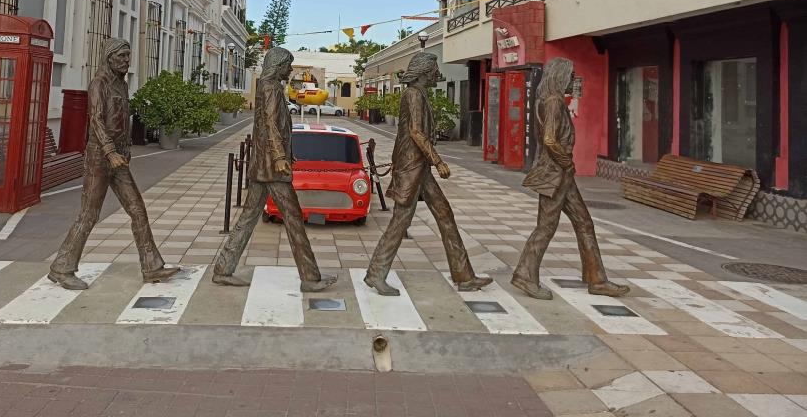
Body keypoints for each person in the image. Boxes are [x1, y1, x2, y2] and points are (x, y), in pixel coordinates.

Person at [49, 39, 179, 290]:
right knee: (89, 214)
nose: (126, 61)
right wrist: (110, 151)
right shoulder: (99, 84)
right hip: (100, 156)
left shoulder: (122, 85)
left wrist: (124, 150)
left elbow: (122, 122)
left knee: (137, 209)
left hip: (119, 157)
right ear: (109, 57)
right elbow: (95, 121)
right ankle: (61, 267)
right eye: (122, 56)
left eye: (129, 56)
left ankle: (152, 266)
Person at [364, 52, 492, 296]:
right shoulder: (413, 94)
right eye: (433, 70)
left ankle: (464, 276)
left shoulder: (419, 93)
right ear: (424, 71)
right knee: (401, 221)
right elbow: (416, 132)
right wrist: (438, 160)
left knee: (444, 214)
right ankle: (375, 273)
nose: (437, 74)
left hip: (419, 167)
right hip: (412, 167)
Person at [212, 47, 337, 292]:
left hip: (264, 164)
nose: (290, 70)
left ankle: (223, 269)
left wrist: (287, 154)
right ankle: (310, 277)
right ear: (277, 65)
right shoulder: (270, 88)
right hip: (271, 167)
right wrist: (280, 156)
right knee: (293, 218)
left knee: (248, 218)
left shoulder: (269, 87)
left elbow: (274, 125)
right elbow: (270, 123)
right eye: (287, 65)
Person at [511, 57, 629, 300]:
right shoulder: (553, 102)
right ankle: (524, 275)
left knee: (584, 222)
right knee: (546, 227)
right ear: (560, 76)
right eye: (570, 75)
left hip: (562, 175)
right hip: (555, 174)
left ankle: (596, 278)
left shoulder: (547, 100)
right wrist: (565, 160)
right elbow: (550, 140)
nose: (573, 80)